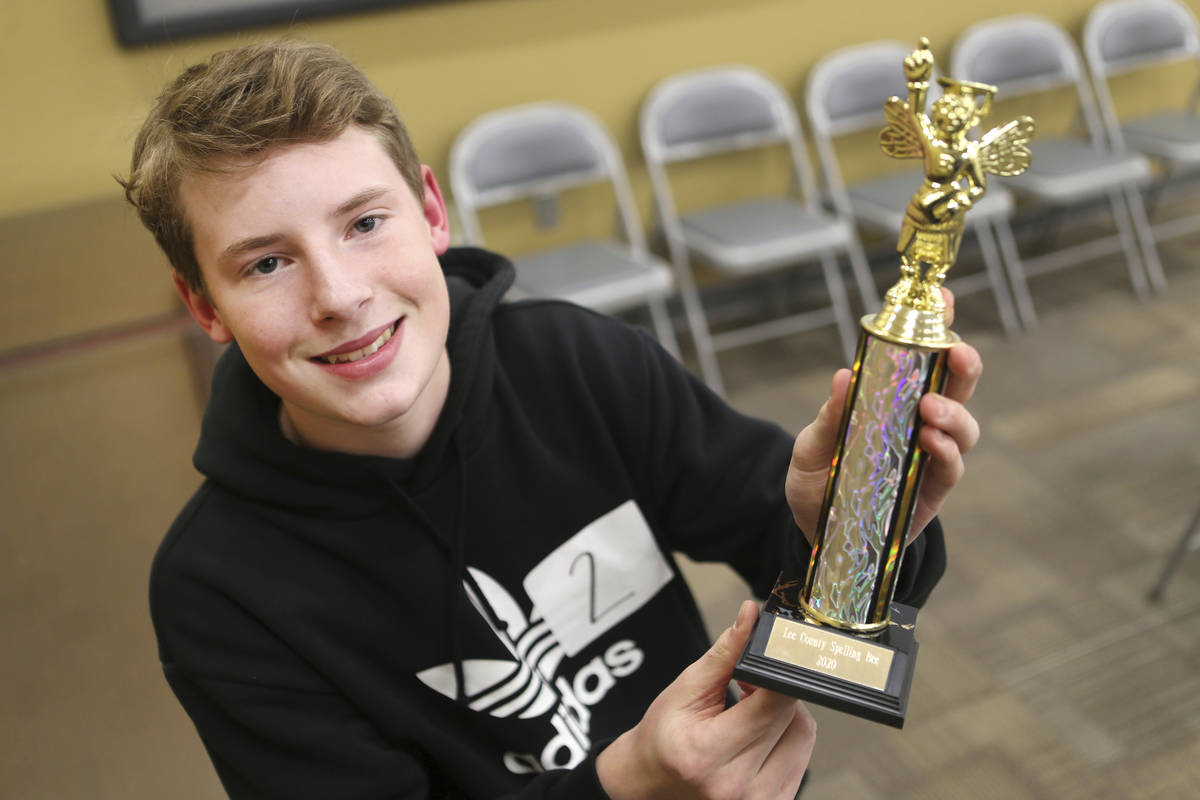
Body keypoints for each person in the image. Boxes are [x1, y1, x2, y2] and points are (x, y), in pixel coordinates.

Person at [122, 39, 981, 799]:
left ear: (430, 213)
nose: (340, 297)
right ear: (203, 305)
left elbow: (826, 626)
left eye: (365, 223)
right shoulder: (217, 590)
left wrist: (856, 529)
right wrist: (630, 787)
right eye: (267, 262)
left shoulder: (576, 362)